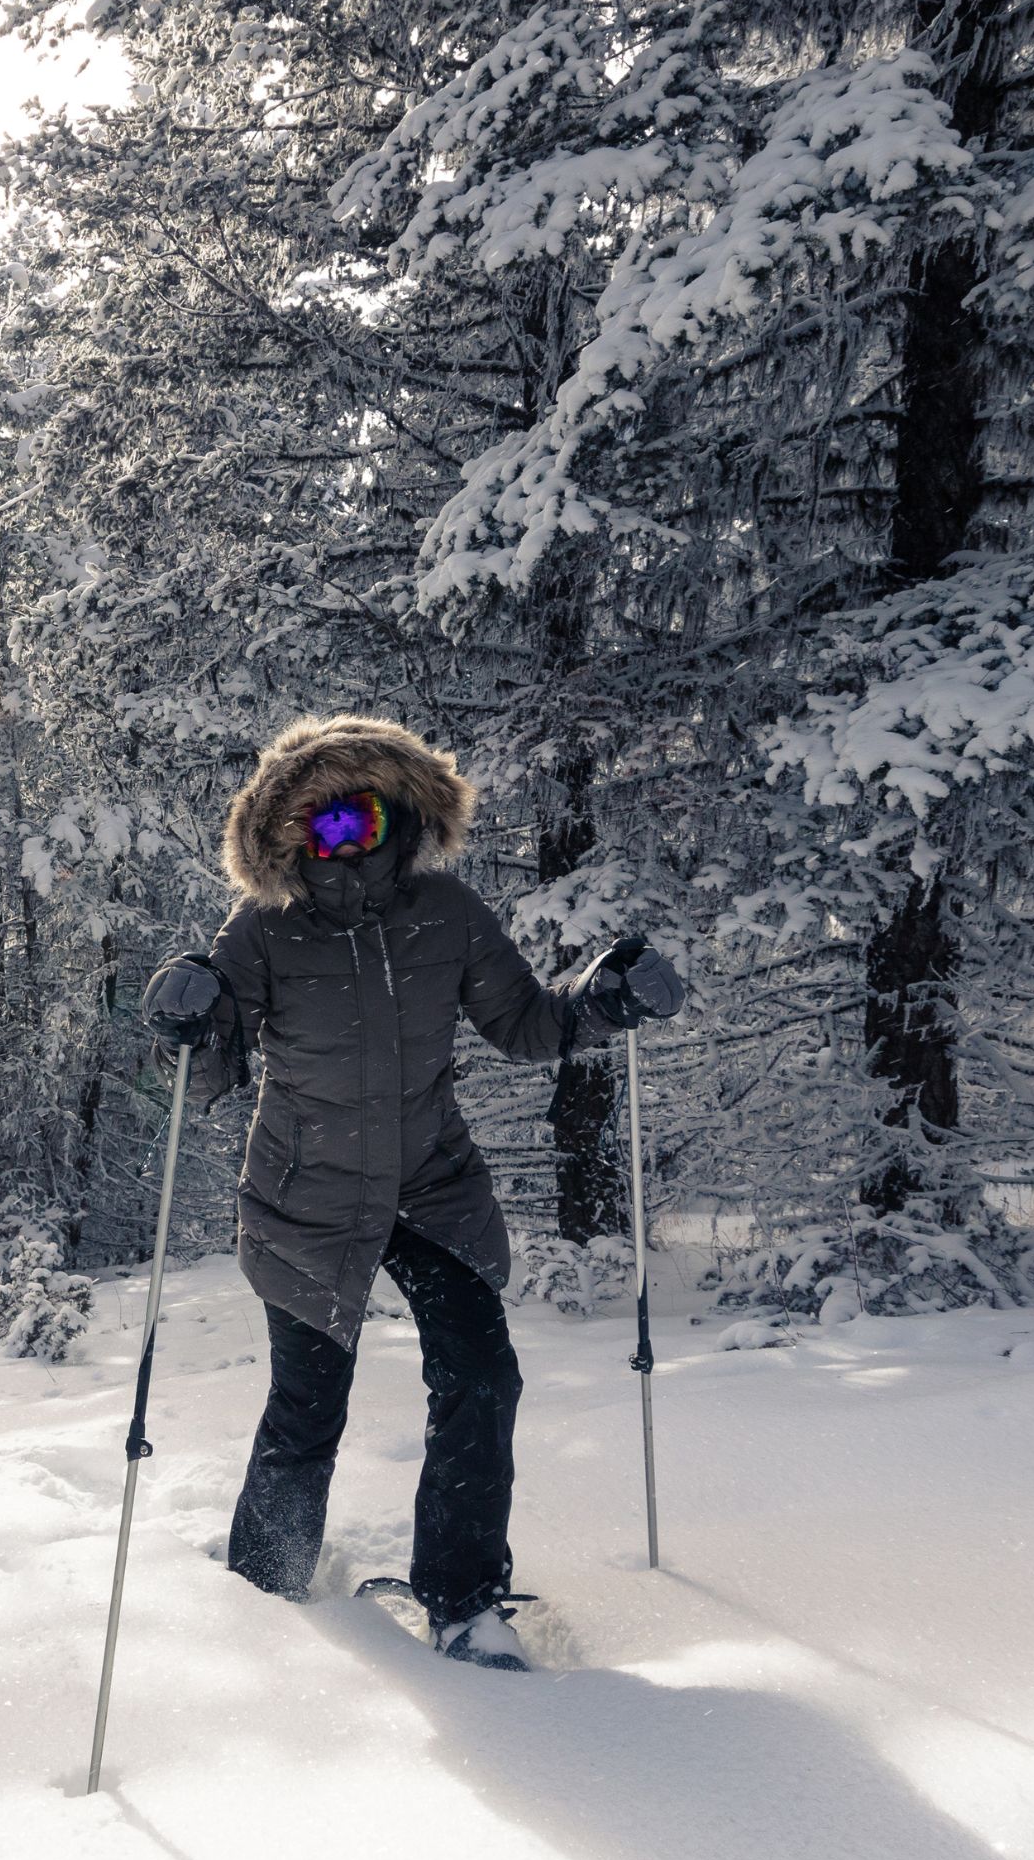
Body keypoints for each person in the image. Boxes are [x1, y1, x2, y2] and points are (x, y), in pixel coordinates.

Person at [140, 715, 681, 1672]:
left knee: (481, 1377)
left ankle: (466, 1602)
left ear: (402, 815)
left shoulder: (449, 914)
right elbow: (212, 1070)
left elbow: (526, 1025)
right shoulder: (263, 929)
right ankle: (262, 1596)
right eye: (323, 820)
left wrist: (600, 1004)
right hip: (306, 1204)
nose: (345, 835)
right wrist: (189, 1016)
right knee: (309, 1409)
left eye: (366, 815)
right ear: (288, 831)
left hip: (432, 1188)